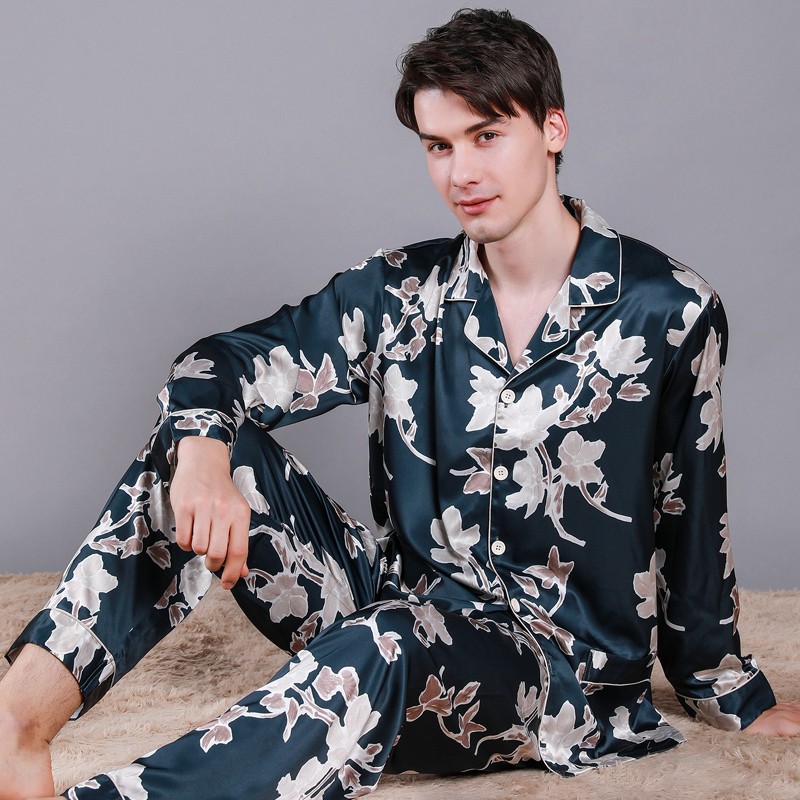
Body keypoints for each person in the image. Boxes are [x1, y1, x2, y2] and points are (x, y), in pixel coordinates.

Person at [2, 8, 799, 800]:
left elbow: (694, 513)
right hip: (397, 599)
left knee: (387, 640)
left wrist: (730, 691)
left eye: (487, 136)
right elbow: (220, 362)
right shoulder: (397, 293)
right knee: (201, 442)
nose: (462, 173)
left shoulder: (669, 310)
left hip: (551, 674)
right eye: (438, 146)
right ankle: (14, 728)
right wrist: (205, 453)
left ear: (553, 128)